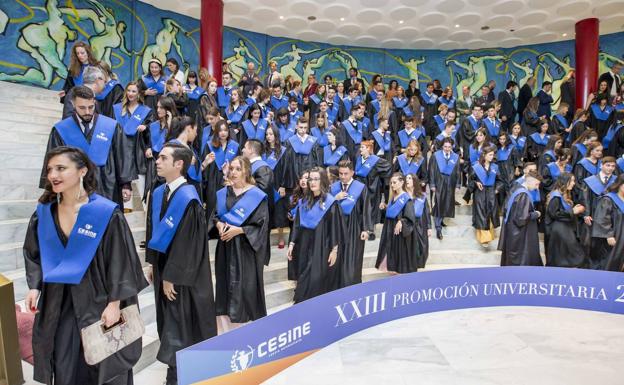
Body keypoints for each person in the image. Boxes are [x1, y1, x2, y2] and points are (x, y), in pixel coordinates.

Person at [24, 146, 147, 385]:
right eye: (50, 169)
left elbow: (120, 259)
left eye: (61, 168)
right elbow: (33, 253)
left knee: (104, 363)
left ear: (82, 171)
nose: (53, 175)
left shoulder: (104, 213)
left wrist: (115, 303)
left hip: (98, 299)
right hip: (60, 301)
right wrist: (34, 286)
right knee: (65, 361)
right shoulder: (44, 213)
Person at [145, 143, 217, 385]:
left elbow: (189, 244)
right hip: (164, 268)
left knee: (181, 324)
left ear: (179, 164)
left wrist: (170, 276)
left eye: (163, 158)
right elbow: (152, 232)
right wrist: (152, 264)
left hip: (182, 276)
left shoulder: (189, 199)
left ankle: (178, 376)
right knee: (170, 322)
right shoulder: (158, 193)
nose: (157, 160)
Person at [42, 85, 133, 206]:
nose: (87, 112)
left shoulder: (110, 126)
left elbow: (122, 156)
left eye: (91, 107)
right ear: (73, 105)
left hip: (107, 186)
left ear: (94, 102)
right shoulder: (61, 130)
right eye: (82, 108)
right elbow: (53, 162)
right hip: (73, 188)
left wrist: (126, 184)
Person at [213, 156, 269, 330]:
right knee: (224, 285)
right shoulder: (224, 193)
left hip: (245, 249)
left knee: (245, 288)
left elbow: (262, 224)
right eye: (232, 169)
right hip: (225, 248)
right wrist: (219, 224)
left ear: (246, 171)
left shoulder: (257, 195)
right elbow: (214, 215)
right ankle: (224, 331)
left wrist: (240, 230)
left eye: (238, 169)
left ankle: (246, 331)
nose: (233, 172)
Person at [288, 167, 343, 303]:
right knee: (303, 275)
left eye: (316, 179)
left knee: (315, 278)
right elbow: (297, 224)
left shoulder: (330, 203)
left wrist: (334, 250)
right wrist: (292, 243)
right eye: (310, 179)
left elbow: (334, 228)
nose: (312, 182)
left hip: (321, 246)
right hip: (303, 245)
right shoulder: (303, 201)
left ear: (323, 180)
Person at [330, 160, 372, 286]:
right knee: (337, 257)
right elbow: (326, 206)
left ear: (352, 172)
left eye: (346, 174)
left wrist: (366, 229)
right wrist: (334, 198)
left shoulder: (360, 187)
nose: (343, 177)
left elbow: (366, 208)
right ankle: (336, 285)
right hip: (337, 225)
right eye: (341, 174)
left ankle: (352, 285)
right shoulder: (333, 187)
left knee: (353, 257)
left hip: (354, 227)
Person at [113, 81, 152, 203]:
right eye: (128, 90)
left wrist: (146, 127)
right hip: (120, 151)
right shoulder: (117, 108)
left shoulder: (145, 111)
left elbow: (152, 131)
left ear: (139, 93)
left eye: (134, 91)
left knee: (140, 195)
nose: (130, 93)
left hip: (138, 152)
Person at [498, 170, 543, 266]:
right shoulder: (524, 195)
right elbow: (521, 219)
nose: (537, 187)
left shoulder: (517, 190)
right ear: (530, 181)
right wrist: (536, 214)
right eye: (536, 184)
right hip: (519, 236)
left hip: (513, 232)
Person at [375, 173, 417, 273]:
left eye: (394, 182)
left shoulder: (406, 199)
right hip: (390, 229)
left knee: (398, 263)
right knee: (391, 263)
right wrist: (385, 207)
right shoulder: (393, 197)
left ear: (402, 182)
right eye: (391, 183)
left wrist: (402, 221)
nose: (392, 185)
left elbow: (410, 217)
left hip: (399, 233)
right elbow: (392, 213)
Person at [580, 156, 617, 268]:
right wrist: (586, 214)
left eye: (613, 166)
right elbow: (584, 198)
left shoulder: (617, 181)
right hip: (593, 219)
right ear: (601, 165)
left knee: (609, 249)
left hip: (612, 220)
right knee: (593, 247)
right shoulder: (590, 181)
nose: (610, 168)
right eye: (608, 165)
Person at [201, 119, 239, 226]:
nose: (223, 133)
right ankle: (210, 230)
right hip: (213, 179)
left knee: (227, 204)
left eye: (225, 130)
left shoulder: (235, 146)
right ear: (216, 132)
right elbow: (205, 165)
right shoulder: (209, 145)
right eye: (220, 130)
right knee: (213, 203)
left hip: (230, 179)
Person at [544, 173, 586, 267]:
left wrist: (574, 208)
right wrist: (573, 211)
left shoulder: (563, 194)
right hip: (558, 231)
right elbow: (554, 213)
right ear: (564, 182)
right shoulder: (555, 196)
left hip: (564, 229)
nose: (574, 183)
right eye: (572, 181)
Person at [144, 96, 178, 202]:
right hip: (153, 165)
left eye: (161, 108)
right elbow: (148, 143)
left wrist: (169, 124)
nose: (158, 110)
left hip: (168, 166)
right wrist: (148, 149)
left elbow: (174, 143)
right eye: (157, 107)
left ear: (168, 109)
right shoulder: (153, 125)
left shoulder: (176, 125)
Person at [468, 145, 502, 248]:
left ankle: (489, 236)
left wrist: (497, 189)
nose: (492, 157)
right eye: (490, 155)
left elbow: (500, 181)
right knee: (481, 213)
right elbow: (470, 180)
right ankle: (484, 239)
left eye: (493, 154)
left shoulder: (495, 167)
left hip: (491, 193)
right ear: (484, 155)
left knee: (490, 213)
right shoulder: (476, 166)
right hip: (480, 193)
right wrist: (476, 183)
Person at [429, 138, 461, 240]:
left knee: (447, 202)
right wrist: (432, 184)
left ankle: (441, 220)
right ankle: (438, 228)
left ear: (452, 147)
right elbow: (432, 170)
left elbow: (457, 171)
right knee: (438, 203)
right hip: (439, 182)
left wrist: (457, 185)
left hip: (450, 183)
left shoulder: (455, 157)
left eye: (449, 147)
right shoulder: (436, 156)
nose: (447, 149)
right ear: (442, 146)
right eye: (445, 146)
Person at [355, 140, 391, 229]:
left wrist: (378, 176)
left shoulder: (375, 160)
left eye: (362, 147)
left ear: (368, 148)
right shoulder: (359, 158)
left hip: (371, 188)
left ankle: (371, 228)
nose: (360, 149)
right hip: (359, 187)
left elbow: (388, 166)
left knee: (371, 208)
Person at [262, 126, 289, 248]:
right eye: (267, 134)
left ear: (276, 135)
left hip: (278, 184)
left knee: (279, 212)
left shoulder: (283, 150)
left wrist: (283, 185)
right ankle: (263, 237)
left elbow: (285, 168)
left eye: (271, 134)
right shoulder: (262, 150)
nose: (268, 136)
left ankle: (281, 237)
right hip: (265, 184)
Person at [592, 174, 624, 271]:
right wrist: (608, 235)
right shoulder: (608, 199)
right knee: (610, 261)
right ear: (619, 184)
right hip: (614, 237)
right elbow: (602, 218)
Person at [283, 117, 320, 190]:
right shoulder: (289, 142)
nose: (303, 130)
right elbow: (286, 163)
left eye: (305, 128)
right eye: (301, 127)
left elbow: (317, 161)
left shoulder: (313, 141)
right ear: (296, 127)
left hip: (309, 177)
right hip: (294, 178)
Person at [406, 174, 432, 269]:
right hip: (407, 225)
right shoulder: (403, 196)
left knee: (421, 247)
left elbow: (427, 212)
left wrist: (429, 227)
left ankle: (418, 265)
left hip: (421, 224)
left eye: (409, 178)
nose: (407, 180)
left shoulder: (422, 196)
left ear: (415, 181)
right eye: (406, 179)